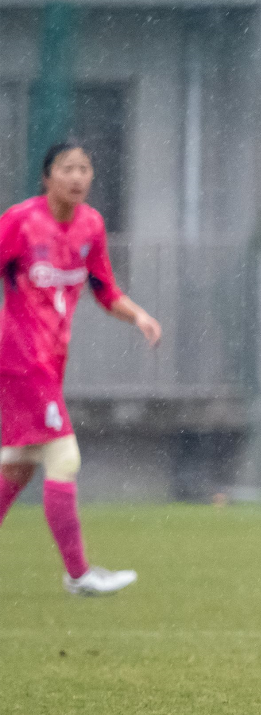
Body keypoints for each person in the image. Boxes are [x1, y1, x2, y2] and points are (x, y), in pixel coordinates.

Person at [0, 140, 162, 595]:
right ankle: (79, 575)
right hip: (20, 359)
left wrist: (140, 317)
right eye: (67, 168)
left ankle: (79, 574)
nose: (77, 177)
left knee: (17, 467)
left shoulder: (91, 225)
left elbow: (105, 290)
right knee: (62, 455)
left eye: (84, 168)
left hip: (50, 362)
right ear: (46, 177)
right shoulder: (21, 222)